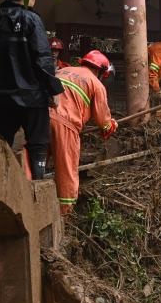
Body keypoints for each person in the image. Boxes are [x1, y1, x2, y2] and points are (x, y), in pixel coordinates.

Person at [0, 0, 63, 180]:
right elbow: (42, 58)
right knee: (38, 142)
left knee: (1, 139)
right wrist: (54, 89)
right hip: (31, 97)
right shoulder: (31, 19)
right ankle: (38, 182)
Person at [49, 50, 118, 214]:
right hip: (65, 124)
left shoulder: (61, 71)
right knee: (67, 171)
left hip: (39, 117)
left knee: (34, 160)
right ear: (102, 72)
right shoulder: (96, 83)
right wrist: (111, 125)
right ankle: (65, 214)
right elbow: (103, 122)